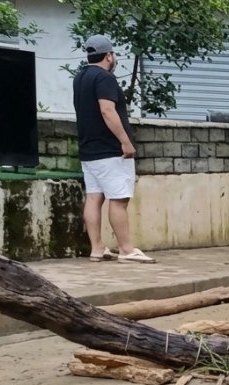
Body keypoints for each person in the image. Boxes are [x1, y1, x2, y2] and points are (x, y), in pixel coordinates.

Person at [74, 35, 154, 263]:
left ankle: (97, 248)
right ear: (108, 55)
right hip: (110, 151)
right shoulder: (105, 78)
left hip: (89, 150)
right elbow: (108, 111)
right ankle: (127, 250)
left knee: (93, 198)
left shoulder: (80, 78)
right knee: (119, 199)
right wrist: (125, 141)